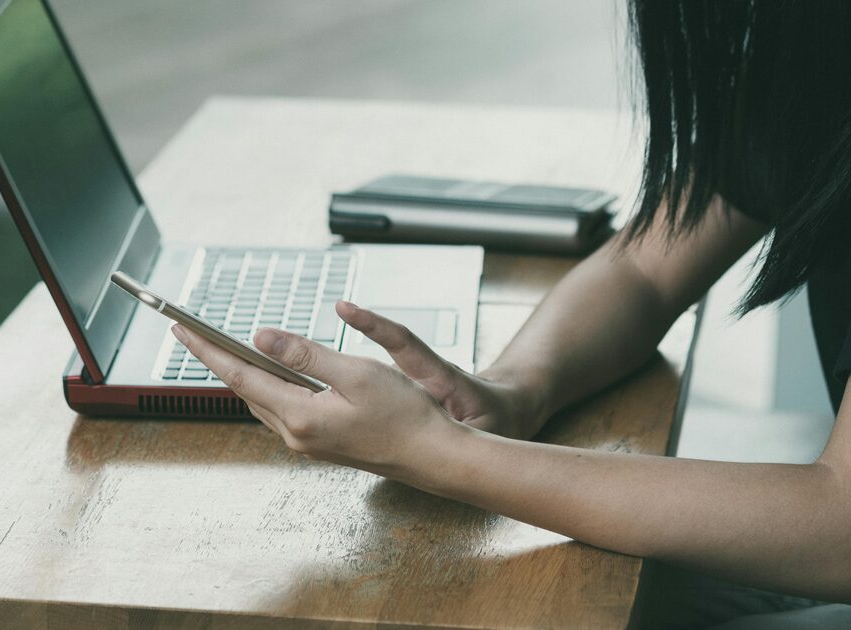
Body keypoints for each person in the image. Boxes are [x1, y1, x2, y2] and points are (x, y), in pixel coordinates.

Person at [172, 1, 851, 627]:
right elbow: (646, 267)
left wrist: (440, 452)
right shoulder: (813, 48)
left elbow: (836, 528)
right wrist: (515, 388)